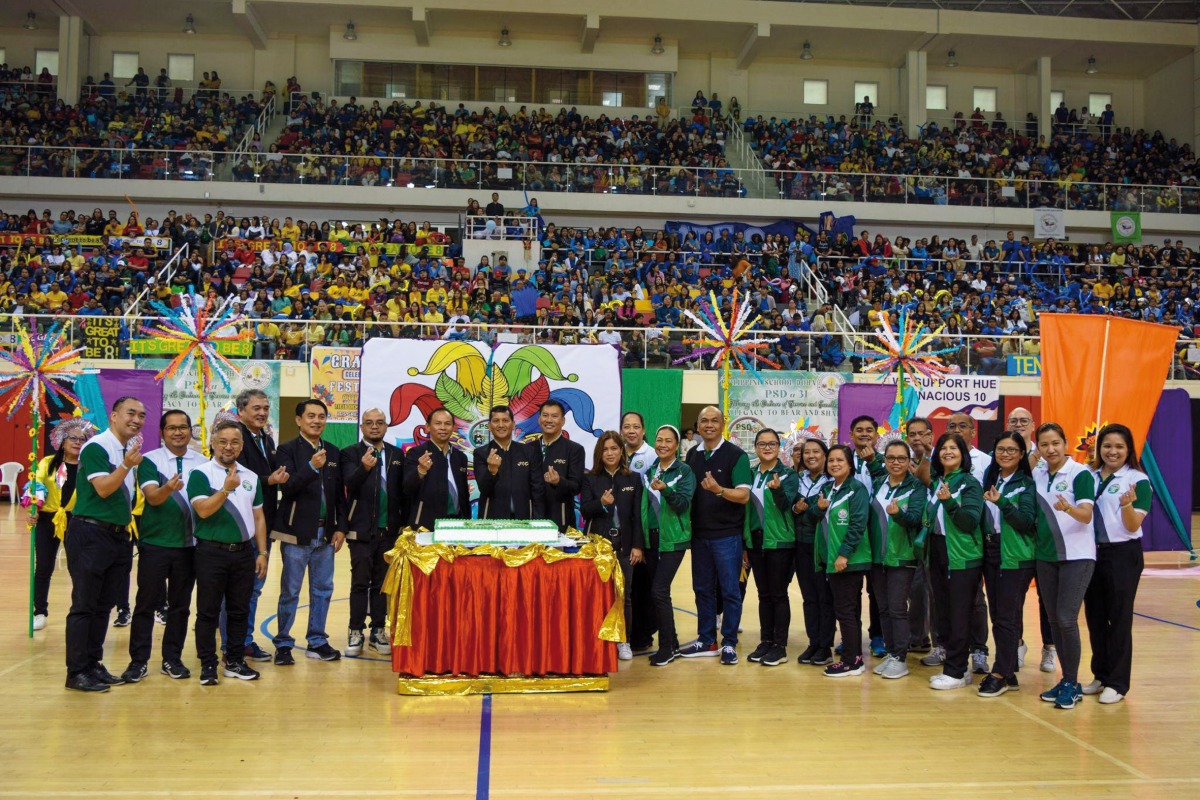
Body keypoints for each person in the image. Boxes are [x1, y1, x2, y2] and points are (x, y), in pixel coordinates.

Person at [62, 397, 145, 693]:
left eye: (142, 415)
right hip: (91, 533)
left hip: (118, 536)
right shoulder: (97, 446)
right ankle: (76, 671)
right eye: (130, 413)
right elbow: (104, 489)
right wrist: (125, 465)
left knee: (103, 606)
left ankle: (93, 664)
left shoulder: (127, 451)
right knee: (84, 605)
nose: (137, 419)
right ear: (113, 416)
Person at [121, 411, 204, 683]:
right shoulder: (149, 461)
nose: (178, 432)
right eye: (171, 428)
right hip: (155, 544)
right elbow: (153, 499)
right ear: (162, 432)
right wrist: (169, 487)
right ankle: (138, 661)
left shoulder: (203, 462)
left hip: (189, 546)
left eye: (183, 427)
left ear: (190, 430)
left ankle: (172, 658)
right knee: (145, 604)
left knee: (180, 607)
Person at [188, 420, 269, 686]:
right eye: (222, 441)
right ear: (213, 443)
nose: (228, 447)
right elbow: (203, 510)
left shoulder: (251, 476)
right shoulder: (201, 474)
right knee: (208, 612)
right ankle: (208, 664)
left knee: (239, 610)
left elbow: (258, 517)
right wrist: (226, 489)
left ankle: (234, 660)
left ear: (242, 446)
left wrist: (263, 552)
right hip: (211, 552)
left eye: (234, 442)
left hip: (244, 553)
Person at [270, 399, 345, 665]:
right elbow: (287, 489)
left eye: (321, 416)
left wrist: (340, 528)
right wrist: (311, 467)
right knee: (290, 590)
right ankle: (283, 643)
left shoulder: (334, 451)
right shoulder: (286, 450)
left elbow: (340, 496)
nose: (316, 421)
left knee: (323, 589)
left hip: (326, 535)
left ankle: (317, 641)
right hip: (296, 535)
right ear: (298, 420)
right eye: (311, 416)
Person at [678, 406, 751, 666]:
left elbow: (743, 496)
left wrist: (719, 490)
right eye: (704, 421)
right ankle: (707, 639)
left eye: (714, 421)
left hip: (727, 536)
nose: (709, 425)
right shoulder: (693, 456)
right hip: (699, 536)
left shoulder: (736, 456)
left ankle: (729, 642)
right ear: (697, 427)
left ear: (722, 425)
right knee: (702, 589)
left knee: (730, 591)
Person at [1083, 423, 1148, 705]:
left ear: (1129, 450)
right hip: (1091, 553)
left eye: (1119, 447)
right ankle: (1101, 674)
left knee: (1119, 618)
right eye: (1107, 446)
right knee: (1095, 617)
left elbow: (1133, 525)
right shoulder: (1089, 475)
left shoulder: (1137, 480)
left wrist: (1126, 505)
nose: (1113, 451)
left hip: (1123, 554)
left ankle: (1118, 683)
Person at [1032, 422, 1096, 710]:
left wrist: (1068, 508)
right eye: (1044, 444)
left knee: (1066, 618)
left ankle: (1073, 681)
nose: (1051, 449)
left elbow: (1086, 516)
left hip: (1077, 557)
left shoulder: (1079, 474)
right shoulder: (1038, 472)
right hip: (1046, 557)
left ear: (1066, 442)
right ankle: (1065, 680)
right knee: (1054, 619)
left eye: (1055, 442)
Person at [227, 389, 290, 663]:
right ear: (241, 412)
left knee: (253, 588)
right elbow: (239, 478)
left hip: (263, 523)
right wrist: (270, 481)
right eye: (256, 408)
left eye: (265, 407)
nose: (262, 412)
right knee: (238, 589)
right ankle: (234, 643)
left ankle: (243, 640)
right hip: (241, 524)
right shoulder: (234, 439)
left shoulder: (266, 438)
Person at [976, 431, 1038, 698]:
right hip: (991, 550)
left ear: (1022, 454)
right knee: (998, 614)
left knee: (1008, 615)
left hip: (1016, 554)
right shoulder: (991, 479)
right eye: (1001, 449)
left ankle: (1000, 673)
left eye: (1012, 450)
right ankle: (1008, 670)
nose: (1005, 454)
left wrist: (1002, 502)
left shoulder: (1026, 483)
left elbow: (1026, 521)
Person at [340, 408, 404, 657]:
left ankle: (378, 630)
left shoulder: (397, 454)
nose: (374, 427)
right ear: (362, 427)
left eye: (379, 423)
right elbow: (349, 486)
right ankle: (355, 630)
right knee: (359, 582)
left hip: (388, 532)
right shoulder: (350, 453)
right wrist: (364, 468)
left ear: (386, 426)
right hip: (361, 530)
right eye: (369, 423)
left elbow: (403, 492)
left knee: (381, 584)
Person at [925, 432, 985, 690]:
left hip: (963, 555)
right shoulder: (939, 481)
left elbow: (970, 521)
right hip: (938, 550)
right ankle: (956, 666)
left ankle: (956, 671)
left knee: (960, 613)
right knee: (945, 611)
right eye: (943, 448)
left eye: (953, 448)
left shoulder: (970, 483)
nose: (947, 452)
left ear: (963, 453)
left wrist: (949, 503)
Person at [27, 418, 98, 632]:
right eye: (73, 438)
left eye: (82, 439)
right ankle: (40, 611)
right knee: (44, 568)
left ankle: (80, 610)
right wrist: (34, 509)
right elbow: (37, 485)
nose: (77, 442)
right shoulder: (48, 462)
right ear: (62, 441)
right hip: (48, 520)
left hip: (76, 521)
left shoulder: (88, 467)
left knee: (78, 568)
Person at [580, 431, 644, 661]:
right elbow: (585, 510)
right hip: (599, 546)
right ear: (599, 452)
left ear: (621, 451)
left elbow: (638, 515)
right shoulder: (590, 478)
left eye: (614, 449)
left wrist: (638, 546)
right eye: (606, 449)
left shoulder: (633, 479)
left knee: (624, 595)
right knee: (598, 594)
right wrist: (601, 503)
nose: (610, 453)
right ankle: (597, 638)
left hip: (626, 547)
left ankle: (623, 641)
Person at [809, 444, 871, 677]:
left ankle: (852, 661)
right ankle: (853, 657)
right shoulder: (828, 488)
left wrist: (844, 554)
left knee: (845, 610)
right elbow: (813, 517)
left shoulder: (857, 490)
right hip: (830, 559)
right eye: (832, 460)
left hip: (849, 560)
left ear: (850, 464)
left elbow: (857, 524)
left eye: (840, 461)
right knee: (845, 609)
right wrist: (818, 507)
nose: (834, 464)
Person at [868, 440, 927, 680]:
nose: (896, 462)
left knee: (897, 608)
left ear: (909, 461)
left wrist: (899, 515)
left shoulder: (916, 487)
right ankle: (892, 653)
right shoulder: (877, 483)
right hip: (877, 557)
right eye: (891, 458)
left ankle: (901, 658)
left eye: (901, 458)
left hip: (902, 556)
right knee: (883, 608)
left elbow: (915, 519)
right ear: (884, 460)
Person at [1004, 405, 1056, 672]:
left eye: (1024, 420)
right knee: (1014, 597)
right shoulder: (1002, 456)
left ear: (1033, 424)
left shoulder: (1047, 455)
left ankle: (1049, 647)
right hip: (1015, 538)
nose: (1018, 424)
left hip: (1045, 538)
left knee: (1047, 597)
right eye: (1013, 420)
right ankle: (1018, 643)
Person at [639, 425, 696, 667]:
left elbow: (683, 504)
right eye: (659, 440)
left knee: (659, 591)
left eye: (668, 441)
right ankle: (671, 642)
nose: (663, 444)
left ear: (676, 444)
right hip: (651, 540)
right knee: (659, 592)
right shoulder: (651, 470)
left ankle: (666, 647)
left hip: (673, 540)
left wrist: (668, 490)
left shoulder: (684, 471)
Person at [743, 429, 798, 667]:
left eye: (772, 443)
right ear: (755, 447)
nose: (767, 447)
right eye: (762, 444)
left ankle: (780, 646)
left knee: (778, 594)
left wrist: (777, 490)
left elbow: (788, 506)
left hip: (780, 542)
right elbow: (744, 511)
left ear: (779, 447)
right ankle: (765, 640)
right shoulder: (750, 474)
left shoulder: (788, 475)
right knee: (763, 594)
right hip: (755, 541)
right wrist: (745, 542)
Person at [944, 412, 992, 675]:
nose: (957, 430)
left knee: (972, 603)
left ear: (972, 431)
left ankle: (977, 651)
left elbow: (972, 515)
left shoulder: (983, 464)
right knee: (947, 604)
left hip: (967, 547)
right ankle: (949, 651)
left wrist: (950, 502)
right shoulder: (940, 473)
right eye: (951, 426)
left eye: (963, 426)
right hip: (941, 548)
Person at [790, 436, 833, 666]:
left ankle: (825, 646)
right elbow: (790, 507)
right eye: (807, 452)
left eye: (816, 451)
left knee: (824, 596)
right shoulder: (797, 479)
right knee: (809, 597)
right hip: (801, 544)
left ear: (824, 455)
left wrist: (804, 510)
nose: (811, 456)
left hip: (823, 545)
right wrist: (796, 509)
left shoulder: (833, 481)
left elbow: (822, 512)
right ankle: (813, 642)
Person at [619, 410, 658, 652]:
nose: (631, 430)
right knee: (627, 588)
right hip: (624, 530)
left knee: (644, 586)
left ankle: (643, 635)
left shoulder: (652, 455)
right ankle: (626, 633)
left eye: (636, 426)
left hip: (645, 530)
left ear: (643, 430)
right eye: (627, 426)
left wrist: (640, 541)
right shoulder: (617, 453)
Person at [848, 414, 886, 658]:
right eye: (859, 430)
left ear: (876, 435)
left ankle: (878, 636)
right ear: (851, 435)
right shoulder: (842, 460)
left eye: (869, 430)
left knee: (877, 590)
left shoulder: (886, 460)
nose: (864, 434)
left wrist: (873, 462)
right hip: (850, 532)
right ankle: (850, 637)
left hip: (878, 532)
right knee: (849, 590)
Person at [403, 407, 471, 529]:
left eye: (447, 424)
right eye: (438, 423)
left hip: (458, 525)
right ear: (428, 427)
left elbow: (464, 495)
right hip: (426, 525)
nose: (443, 428)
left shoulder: (460, 457)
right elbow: (406, 488)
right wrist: (420, 471)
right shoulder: (416, 453)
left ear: (454, 427)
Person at [473, 405, 543, 519]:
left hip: (524, 520)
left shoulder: (528, 452)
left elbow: (537, 489)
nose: (501, 425)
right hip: (492, 521)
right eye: (496, 421)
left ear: (513, 424)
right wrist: (492, 471)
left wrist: (538, 520)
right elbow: (484, 489)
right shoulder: (481, 453)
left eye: (505, 420)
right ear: (490, 426)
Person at [904, 416, 934, 654]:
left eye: (921, 433)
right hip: (907, 532)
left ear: (931, 435)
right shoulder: (901, 462)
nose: (917, 438)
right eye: (912, 434)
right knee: (912, 589)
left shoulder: (940, 460)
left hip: (933, 535)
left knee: (926, 589)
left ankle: (927, 638)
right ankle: (917, 636)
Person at [536, 400, 585, 531]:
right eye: (545, 415)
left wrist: (559, 482)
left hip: (561, 521)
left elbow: (576, 486)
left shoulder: (574, 450)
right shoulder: (527, 449)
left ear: (563, 421)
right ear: (539, 419)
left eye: (554, 416)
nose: (549, 420)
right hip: (531, 521)